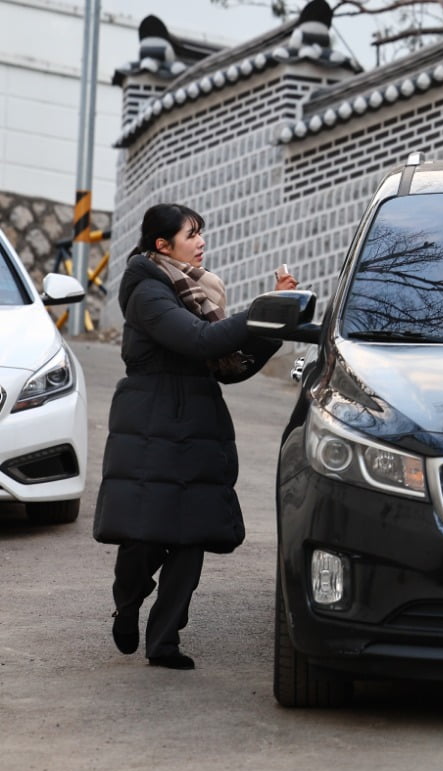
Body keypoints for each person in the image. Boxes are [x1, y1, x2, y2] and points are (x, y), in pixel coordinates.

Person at [93, 203, 297, 670]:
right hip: (152, 421)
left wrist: (274, 317)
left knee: (192, 534)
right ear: (162, 245)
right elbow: (202, 342)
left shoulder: (200, 290)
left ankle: (164, 642)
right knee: (144, 535)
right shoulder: (147, 290)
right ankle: (127, 602)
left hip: (200, 419)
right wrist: (264, 310)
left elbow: (231, 367)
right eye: (191, 234)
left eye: (201, 232)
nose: (201, 241)